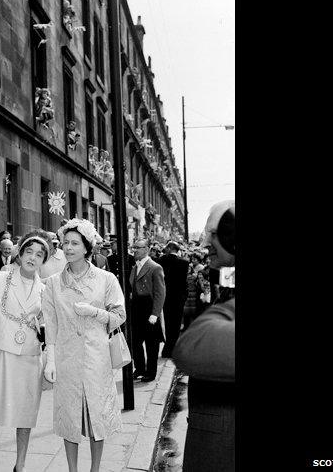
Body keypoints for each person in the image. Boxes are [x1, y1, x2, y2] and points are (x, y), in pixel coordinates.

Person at [42, 218, 126, 472]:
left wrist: (95, 312)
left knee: (96, 417)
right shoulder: (54, 283)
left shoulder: (106, 279)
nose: (68, 248)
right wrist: (51, 360)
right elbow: (51, 324)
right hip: (67, 358)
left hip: (96, 356)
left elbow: (120, 316)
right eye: (65, 243)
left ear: (87, 247)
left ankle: (95, 469)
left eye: (75, 243)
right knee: (70, 418)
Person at [0, 232, 50, 472]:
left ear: (43, 261)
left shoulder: (44, 291)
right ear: (20, 254)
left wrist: (42, 328)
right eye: (29, 252)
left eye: (39, 255)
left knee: (25, 411)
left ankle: (20, 464)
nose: (32, 258)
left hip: (28, 355)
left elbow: (47, 323)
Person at [173, 200, 236, 472]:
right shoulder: (226, 275)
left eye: (214, 233)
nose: (205, 241)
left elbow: (190, 347)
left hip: (222, 444)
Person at [128, 237, 166, 382]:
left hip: (149, 307)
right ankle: (139, 368)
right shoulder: (134, 266)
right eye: (134, 247)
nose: (134, 250)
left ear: (146, 250)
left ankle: (150, 372)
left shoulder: (155, 267)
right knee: (135, 342)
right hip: (137, 307)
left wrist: (155, 314)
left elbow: (160, 293)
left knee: (151, 344)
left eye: (138, 248)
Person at [157, 241, 190, 358]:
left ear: (170, 248)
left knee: (167, 322)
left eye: (166, 247)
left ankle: (167, 349)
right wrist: (184, 296)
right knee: (176, 324)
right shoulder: (184, 263)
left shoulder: (161, 260)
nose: (165, 249)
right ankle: (172, 349)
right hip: (178, 298)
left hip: (165, 296)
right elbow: (184, 283)